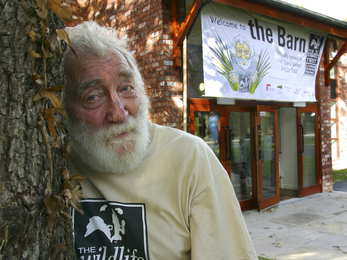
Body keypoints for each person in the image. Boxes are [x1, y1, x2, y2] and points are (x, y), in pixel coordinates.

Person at [64, 21, 257, 260]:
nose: (119, 113)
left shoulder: (190, 159)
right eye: (93, 96)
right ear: (63, 108)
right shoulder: (53, 163)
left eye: (126, 87)